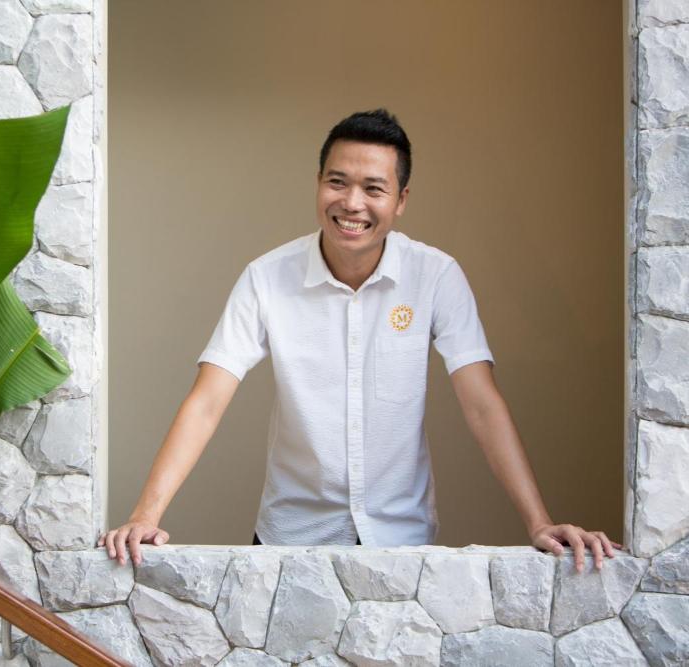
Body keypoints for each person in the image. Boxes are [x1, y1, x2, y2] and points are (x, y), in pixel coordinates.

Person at [99, 109, 620, 571]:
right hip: (290, 538)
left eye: (374, 188)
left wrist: (538, 522)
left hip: (401, 541)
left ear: (401, 199)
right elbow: (208, 400)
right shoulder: (266, 277)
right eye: (337, 182)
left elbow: (481, 403)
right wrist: (146, 515)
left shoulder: (435, 275)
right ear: (317, 183)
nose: (352, 203)